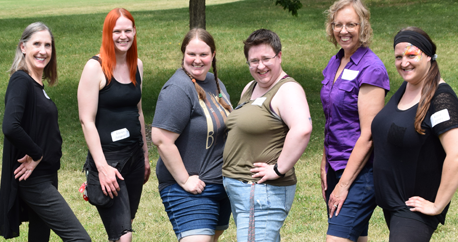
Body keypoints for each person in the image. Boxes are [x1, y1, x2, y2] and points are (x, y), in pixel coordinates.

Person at [0, 22, 91, 241]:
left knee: (39, 238)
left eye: (48, 45)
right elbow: (10, 126)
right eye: (37, 44)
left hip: (47, 175)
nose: (43, 50)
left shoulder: (37, 85)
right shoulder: (21, 80)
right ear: (23, 47)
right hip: (34, 179)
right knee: (80, 238)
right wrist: (37, 153)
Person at [222, 28, 313, 242]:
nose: (260, 66)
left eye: (266, 58)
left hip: (262, 191)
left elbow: (302, 129)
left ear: (279, 56)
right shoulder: (250, 87)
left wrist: (278, 169)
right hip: (244, 192)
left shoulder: (287, 90)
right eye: (254, 61)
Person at [371, 27, 458, 242]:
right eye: (398, 57)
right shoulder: (408, 86)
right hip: (394, 204)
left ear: (429, 56)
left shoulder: (440, 98)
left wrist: (438, 205)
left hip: (413, 209)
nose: (404, 62)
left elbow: (456, 154)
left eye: (412, 55)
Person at [151, 28, 232, 242]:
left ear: (213, 55)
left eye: (203, 54)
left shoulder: (215, 82)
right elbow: (161, 138)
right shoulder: (178, 89)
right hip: (190, 190)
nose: (197, 60)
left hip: (219, 186)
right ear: (183, 54)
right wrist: (185, 180)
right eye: (191, 54)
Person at [77, 8, 150, 242]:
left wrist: (146, 156)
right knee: (124, 235)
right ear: (107, 33)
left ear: (134, 31)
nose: (122, 36)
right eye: (116, 31)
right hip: (108, 162)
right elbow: (86, 121)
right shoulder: (94, 68)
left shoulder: (136, 65)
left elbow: (138, 112)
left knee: (122, 227)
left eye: (127, 30)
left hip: (135, 159)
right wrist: (102, 168)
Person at [320, 0, 390, 241]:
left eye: (351, 24)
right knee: (356, 237)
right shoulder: (335, 62)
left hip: (360, 172)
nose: (343, 30)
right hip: (335, 166)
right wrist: (324, 161)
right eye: (337, 24)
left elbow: (370, 134)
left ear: (363, 27)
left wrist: (344, 184)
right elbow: (332, 118)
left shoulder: (371, 69)